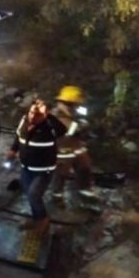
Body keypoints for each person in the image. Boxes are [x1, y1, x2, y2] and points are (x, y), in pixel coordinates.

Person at [7, 98, 67, 235]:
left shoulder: (49, 126)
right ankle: (36, 219)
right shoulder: (24, 120)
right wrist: (13, 149)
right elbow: (19, 136)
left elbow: (63, 129)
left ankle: (43, 222)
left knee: (34, 195)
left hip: (43, 171)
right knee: (29, 195)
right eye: (32, 112)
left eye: (38, 114)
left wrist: (47, 115)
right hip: (26, 168)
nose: (33, 116)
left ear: (45, 115)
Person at [51, 85, 95, 205]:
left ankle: (84, 190)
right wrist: (81, 124)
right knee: (61, 173)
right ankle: (57, 195)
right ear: (66, 103)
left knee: (85, 167)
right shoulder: (56, 115)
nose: (77, 106)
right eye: (74, 104)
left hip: (77, 146)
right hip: (62, 149)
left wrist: (84, 122)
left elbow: (84, 124)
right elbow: (70, 130)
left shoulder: (74, 112)